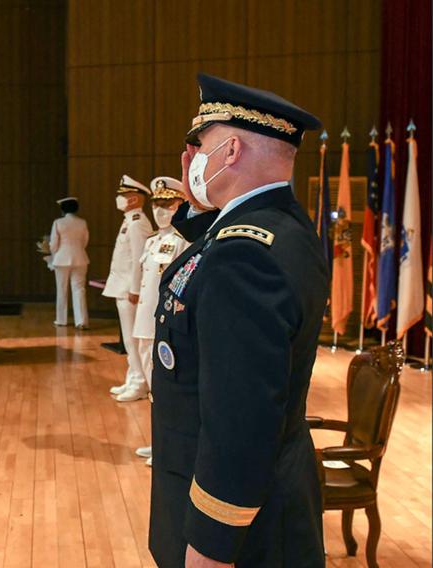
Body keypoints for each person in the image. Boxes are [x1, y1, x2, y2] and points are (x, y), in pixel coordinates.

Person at [148, 73, 328, 567]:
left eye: (200, 145)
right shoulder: (282, 228)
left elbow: (241, 421)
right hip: (271, 503)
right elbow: (206, 245)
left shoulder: (243, 257)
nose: (191, 159)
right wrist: (197, 199)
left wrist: (211, 545)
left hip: (243, 533)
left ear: (228, 152)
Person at [129, 177, 188, 461]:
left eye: (168, 205)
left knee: (164, 390)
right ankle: (157, 442)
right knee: (154, 390)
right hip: (144, 321)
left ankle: (167, 447)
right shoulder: (153, 240)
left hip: (160, 324)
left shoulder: (181, 242)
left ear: (180, 205)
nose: (160, 212)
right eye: (157, 205)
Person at [104, 175, 153, 398]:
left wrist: (135, 289)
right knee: (128, 339)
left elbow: (138, 258)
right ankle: (132, 377)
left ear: (133, 199)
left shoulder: (137, 222)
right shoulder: (129, 221)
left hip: (129, 289)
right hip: (122, 286)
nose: (119, 199)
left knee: (133, 339)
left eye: (123, 196)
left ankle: (139, 383)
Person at [49, 197, 90, 329]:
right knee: (79, 289)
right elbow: (85, 241)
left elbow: (54, 243)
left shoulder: (58, 222)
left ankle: (61, 320)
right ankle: (82, 321)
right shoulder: (82, 222)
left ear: (63, 209)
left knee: (61, 290)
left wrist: (53, 255)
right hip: (80, 258)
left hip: (61, 259)